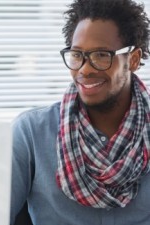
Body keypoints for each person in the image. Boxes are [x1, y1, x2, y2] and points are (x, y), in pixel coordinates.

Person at [10, 0, 150, 224]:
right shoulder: (31, 133)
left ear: (132, 60)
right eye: (77, 55)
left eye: (101, 55)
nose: (85, 69)